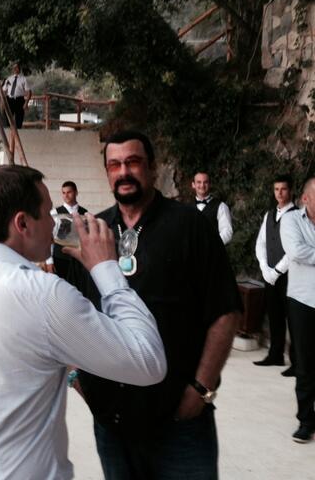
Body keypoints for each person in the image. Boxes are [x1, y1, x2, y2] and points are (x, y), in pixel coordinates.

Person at [0, 164, 166, 480]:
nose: (55, 223)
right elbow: (148, 362)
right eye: (48, 213)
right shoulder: (44, 294)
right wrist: (106, 269)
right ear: (22, 223)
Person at [68, 131, 241, 479]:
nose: (123, 172)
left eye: (133, 162)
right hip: (113, 424)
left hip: (180, 421)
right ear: (107, 173)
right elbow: (70, 315)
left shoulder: (190, 225)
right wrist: (78, 379)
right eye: (114, 165)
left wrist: (200, 390)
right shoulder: (91, 232)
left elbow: (226, 311)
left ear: (152, 167)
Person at [280, 177, 315, 444]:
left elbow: (307, 252)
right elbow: (296, 251)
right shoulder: (291, 220)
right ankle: (306, 421)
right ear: (305, 198)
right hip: (303, 301)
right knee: (305, 364)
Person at [254, 174, 297, 373]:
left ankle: (297, 363)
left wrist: (277, 270)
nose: (279, 193)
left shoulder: (297, 215)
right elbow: (260, 243)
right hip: (270, 274)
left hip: (290, 276)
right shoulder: (269, 215)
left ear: (291, 191)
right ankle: (275, 355)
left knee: (294, 320)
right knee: (274, 316)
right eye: (276, 189)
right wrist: (265, 268)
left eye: (283, 189)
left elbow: (294, 249)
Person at [46, 181, 89, 278]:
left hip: (79, 259)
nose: (66, 195)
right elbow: (48, 237)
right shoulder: (55, 213)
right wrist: (49, 261)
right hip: (60, 258)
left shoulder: (85, 213)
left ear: (76, 192)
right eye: (63, 193)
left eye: (69, 192)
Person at [192, 171, 233, 245]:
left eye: (205, 182)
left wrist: (212, 245)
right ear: (193, 185)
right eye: (199, 182)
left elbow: (227, 232)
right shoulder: (186, 207)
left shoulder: (221, 206)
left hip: (213, 250)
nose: (202, 185)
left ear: (210, 184)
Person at [1, 62, 31, 129]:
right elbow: (3, 91)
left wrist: (26, 103)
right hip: (9, 100)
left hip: (19, 100)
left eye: (16, 67)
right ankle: (9, 132)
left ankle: (18, 133)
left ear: (19, 69)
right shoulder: (9, 79)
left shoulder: (23, 79)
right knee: (7, 119)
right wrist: (3, 102)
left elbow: (29, 92)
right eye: (13, 67)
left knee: (19, 120)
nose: (14, 69)